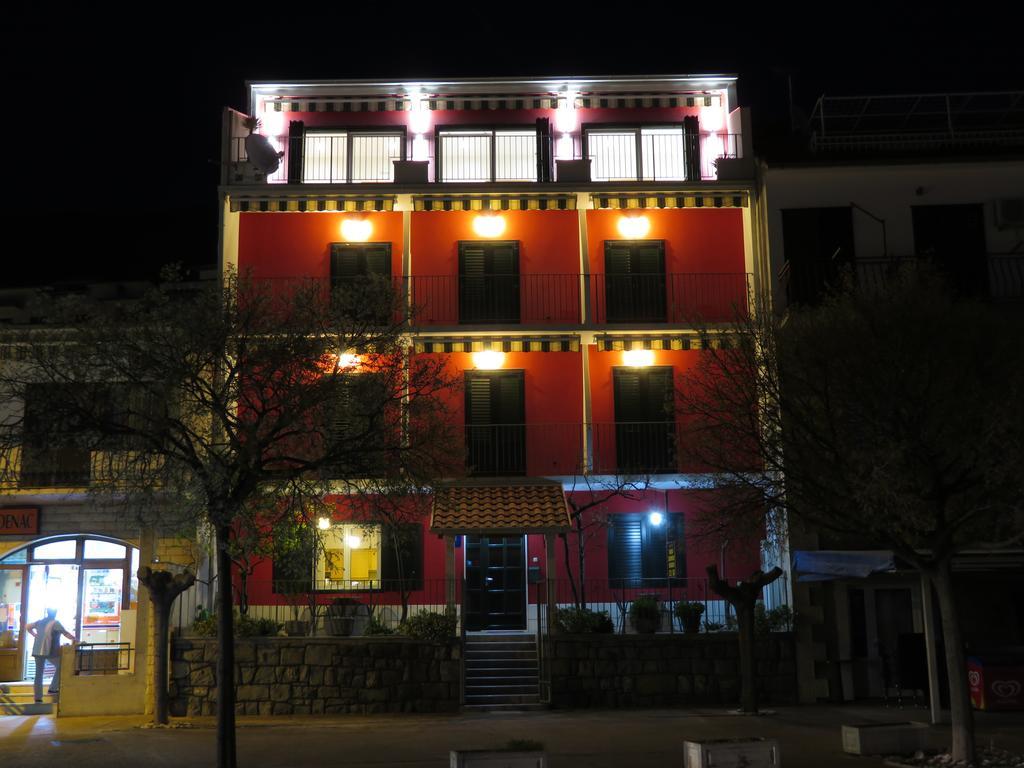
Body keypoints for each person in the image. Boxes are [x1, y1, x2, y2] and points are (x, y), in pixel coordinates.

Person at [26, 608, 76, 703]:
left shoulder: (40, 622)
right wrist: (76, 639)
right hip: (50, 651)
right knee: (61, 666)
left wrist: (34, 634)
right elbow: (66, 634)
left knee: (38, 674)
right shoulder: (55, 623)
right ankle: (53, 688)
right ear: (55, 614)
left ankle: (38, 698)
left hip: (37, 651)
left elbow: (28, 626)